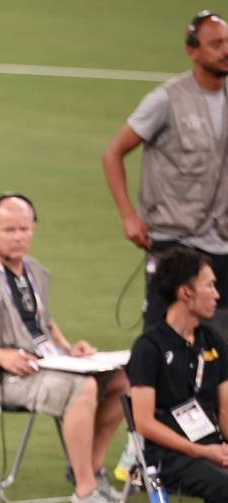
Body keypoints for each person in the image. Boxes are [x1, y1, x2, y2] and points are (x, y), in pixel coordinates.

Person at [0, 193, 136, 503]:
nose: (19, 237)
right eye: (10, 230)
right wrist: (1, 357)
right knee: (81, 388)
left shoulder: (36, 272)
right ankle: (85, 494)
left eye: (24, 229)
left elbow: (41, 321)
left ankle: (90, 471)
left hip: (43, 364)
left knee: (122, 380)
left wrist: (69, 349)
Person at [102, 11, 228, 337]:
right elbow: (113, 153)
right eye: (216, 44)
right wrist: (128, 215)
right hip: (175, 242)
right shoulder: (166, 101)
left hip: (223, 243)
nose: (225, 50)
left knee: (220, 345)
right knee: (163, 340)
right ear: (193, 51)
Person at [127, 246, 228, 503]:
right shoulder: (148, 348)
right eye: (210, 286)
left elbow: (226, 407)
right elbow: (144, 423)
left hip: (212, 448)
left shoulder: (212, 340)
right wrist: (200, 451)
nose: (217, 295)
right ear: (185, 293)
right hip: (170, 457)